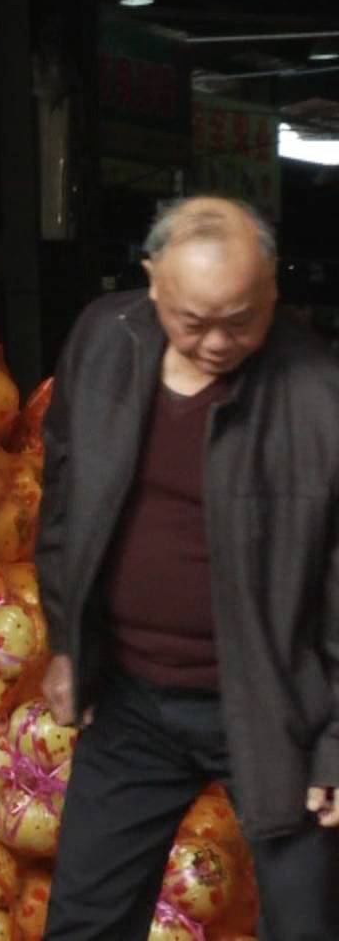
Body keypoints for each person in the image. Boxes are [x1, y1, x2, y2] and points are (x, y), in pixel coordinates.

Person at [37, 196, 339, 939]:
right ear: (152, 285)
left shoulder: (316, 392)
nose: (216, 343)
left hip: (274, 706)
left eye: (241, 319)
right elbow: (65, 502)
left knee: (307, 926)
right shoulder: (104, 340)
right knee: (84, 921)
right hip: (133, 700)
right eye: (193, 320)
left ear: (273, 291)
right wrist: (69, 638)